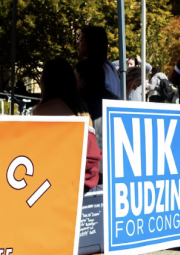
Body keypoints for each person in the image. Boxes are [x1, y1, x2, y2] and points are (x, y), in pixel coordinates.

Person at [33, 58, 102, 190]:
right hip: (84, 182)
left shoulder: (41, 110)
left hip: (55, 183)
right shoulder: (82, 109)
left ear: (46, 82)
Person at [79, 26, 123, 99]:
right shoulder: (110, 67)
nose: (78, 44)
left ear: (91, 42)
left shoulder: (90, 68)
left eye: (81, 40)